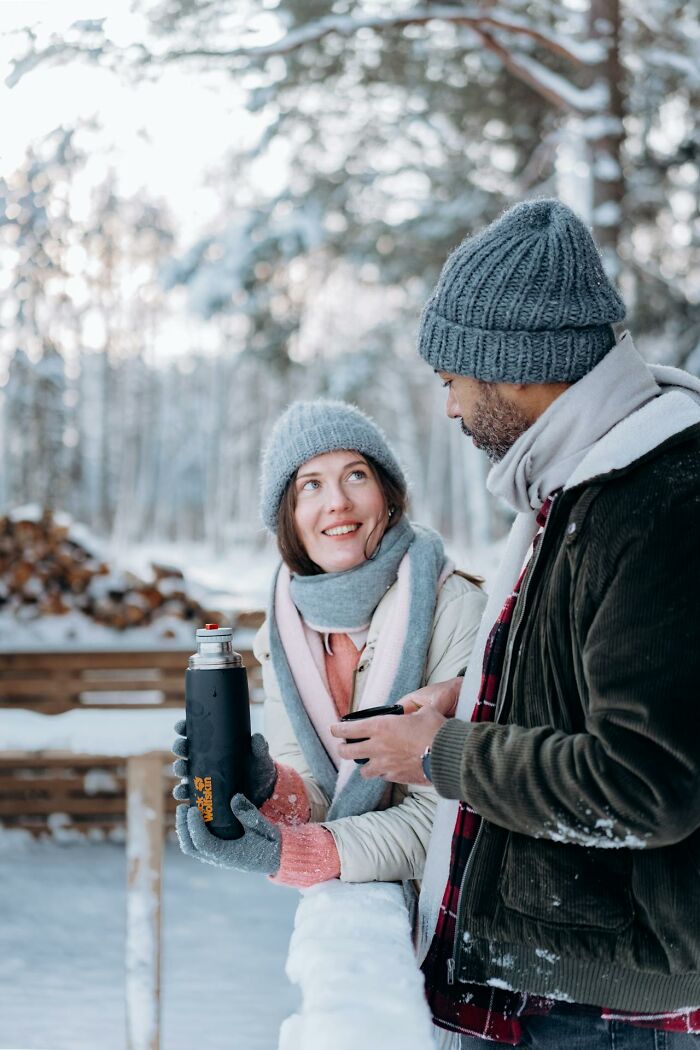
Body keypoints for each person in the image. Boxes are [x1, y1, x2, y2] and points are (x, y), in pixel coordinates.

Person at [334, 200, 700, 1048]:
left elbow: (647, 786)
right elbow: (599, 676)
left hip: (609, 1012)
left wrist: (440, 755)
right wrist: (482, 691)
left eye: (453, 379)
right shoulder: (584, 483)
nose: (453, 409)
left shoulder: (655, 504)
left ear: (516, 366)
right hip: (564, 984)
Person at [173, 399, 486, 896]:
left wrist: (296, 853)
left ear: (388, 494)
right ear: (290, 516)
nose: (337, 501)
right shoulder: (283, 633)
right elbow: (321, 793)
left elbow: (448, 816)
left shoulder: (455, 610)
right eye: (311, 485)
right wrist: (268, 787)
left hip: (458, 916)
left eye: (356, 475)